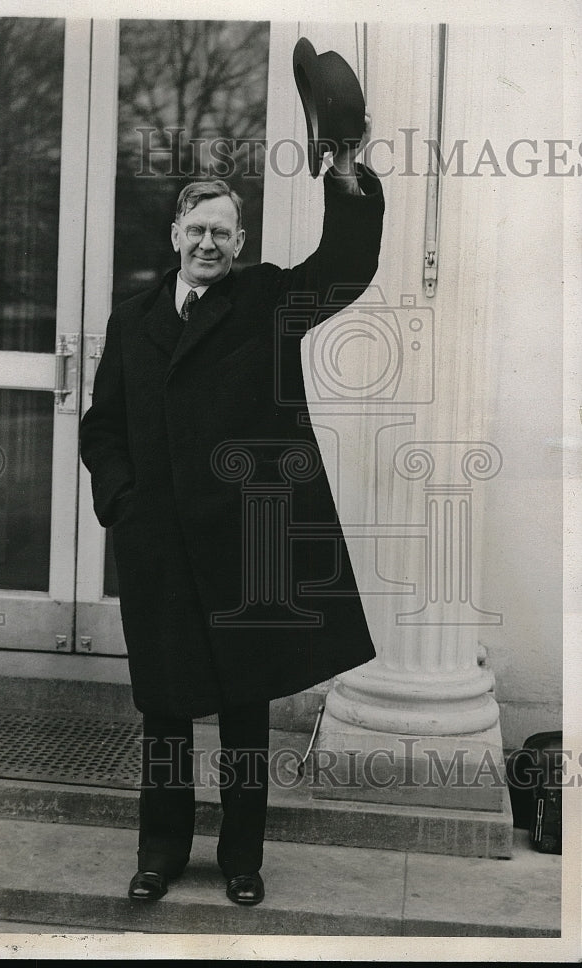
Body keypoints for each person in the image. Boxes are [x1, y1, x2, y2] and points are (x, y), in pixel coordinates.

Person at [79, 116, 384, 906]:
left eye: (224, 231)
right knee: (166, 713)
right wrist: (122, 503)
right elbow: (102, 426)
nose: (208, 243)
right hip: (161, 548)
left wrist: (343, 170)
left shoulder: (267, 299)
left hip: (247, 547)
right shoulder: (132, 320)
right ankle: (160, 853)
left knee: (246, 712)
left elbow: (344, 267)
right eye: (198, 228)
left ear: (239, 242)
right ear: (175, 231)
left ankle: (241, 860)